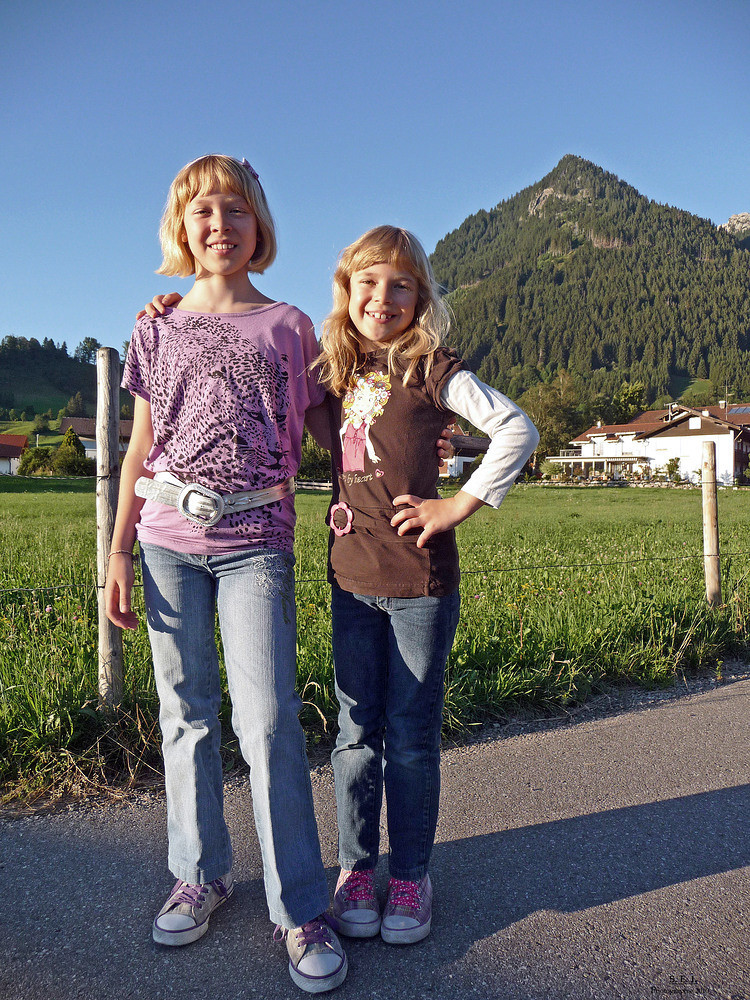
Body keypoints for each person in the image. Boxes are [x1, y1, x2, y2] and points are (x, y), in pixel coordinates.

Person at [104, 154, 348, 994]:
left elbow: (330, 428)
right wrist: (117, 551)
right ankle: (201, 873)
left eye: (235, 210)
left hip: (257, 539)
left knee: (271, 720)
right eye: (202, 212)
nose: (219, 225)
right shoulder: (154, 325)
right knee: (187, 713)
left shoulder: (290, 325)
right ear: (182, 230)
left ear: (259, 227)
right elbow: (140, 446)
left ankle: (300, 905)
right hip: (168, 536)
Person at [315, 226, 539, 945]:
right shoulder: (332, 370)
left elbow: (515, 429)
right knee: (354, 732)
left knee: (410, 736)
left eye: (401, 284)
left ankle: (409, 873)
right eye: (368, 283)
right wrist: (174, 309)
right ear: (346, 292)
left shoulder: (433, 368)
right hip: (349, 583)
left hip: (420, 585)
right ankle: (355, 868)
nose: (383, 297)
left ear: (421, 297)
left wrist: (455, 505)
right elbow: (258, 347)